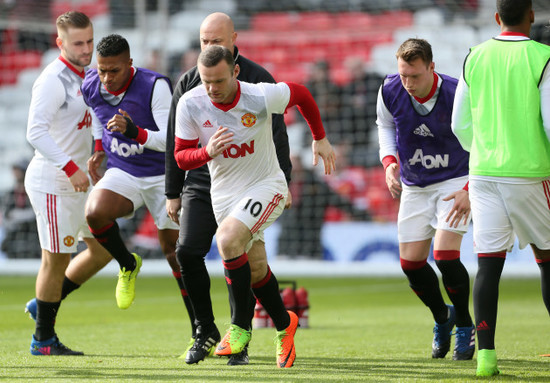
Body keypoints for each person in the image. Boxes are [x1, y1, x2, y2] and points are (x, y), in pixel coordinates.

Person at [175, 45, 335, 368]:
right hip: (225, 194)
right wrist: (207, 153)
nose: (212, 89)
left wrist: (319, 137)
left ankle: (238, 327)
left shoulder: (259, 96)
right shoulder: (190, 103)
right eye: (206, 81)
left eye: (219, 81)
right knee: (257, 267)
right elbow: (181, 156)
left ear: (235, 72)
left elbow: (302, 94)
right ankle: (284, 323)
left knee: (228, 240)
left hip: (266, 185)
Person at [164, 12, 292, 365]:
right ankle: (204, 330)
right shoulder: (190, 83)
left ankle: (244, 339)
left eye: (217, 42)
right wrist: (172, 192)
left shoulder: (258, 80)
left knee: (250, 261)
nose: (211, 47)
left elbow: (278, 136)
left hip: (252, 179)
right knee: (187, 251)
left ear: (234, 40)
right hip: (205, 180)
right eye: (205, 42)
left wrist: (286, 180)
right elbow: (176, 145)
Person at [451, 0, 550, 376]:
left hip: (484, 173)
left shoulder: (473, 56)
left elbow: (460, 122)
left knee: (488, 266)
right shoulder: (542, 56)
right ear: (532, 15)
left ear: (496, 18)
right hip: (530, 173)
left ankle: (486, 358)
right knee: (548, 260)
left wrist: (483, 151)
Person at [376, 38, 475, 361]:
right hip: (415, 185)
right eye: (403, 75)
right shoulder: (390, 90)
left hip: (455, 181)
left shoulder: (457, 92)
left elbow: (484, 139)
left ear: (432, 67)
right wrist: (390, 164)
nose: (408, 83)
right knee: (411, 264)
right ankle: (442, 318)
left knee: (445, 255)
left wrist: (471, 188)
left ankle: (464, 323)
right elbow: (386, 127)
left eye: (415, 76)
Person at [23, 11, 112, 355]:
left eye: (90, 40)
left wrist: (100, 150)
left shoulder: (90, 74)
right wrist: (71, 166)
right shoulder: (52, 80)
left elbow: (96, 117)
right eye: (78, 43)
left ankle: (41, 304)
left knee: (104, 248)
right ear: (60, 43)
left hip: (80, 178)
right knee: (55, 259)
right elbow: (35, 132)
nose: (87, 48)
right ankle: (43, 339)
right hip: (53, 180)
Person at [80, 34, 182, 314]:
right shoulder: (91, 83)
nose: (107, 78)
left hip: (163, 175)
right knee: (94, 213)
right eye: (102, 70)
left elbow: (170, 141)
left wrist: (134, 131)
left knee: (175, 255)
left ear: (130, 64)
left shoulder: (154, 85)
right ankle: (127, 264)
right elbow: (99, 118)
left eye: (114, 70)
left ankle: (200, 329)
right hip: (124, 170)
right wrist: (99, 148)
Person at [0, 159, 41, 258]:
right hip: (12, 241)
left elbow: (38, 214)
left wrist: (18, 216)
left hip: (33, 241)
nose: (16, 173)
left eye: (19, 170)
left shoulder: (35, 193)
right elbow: (5, 217)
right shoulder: (8, 194)